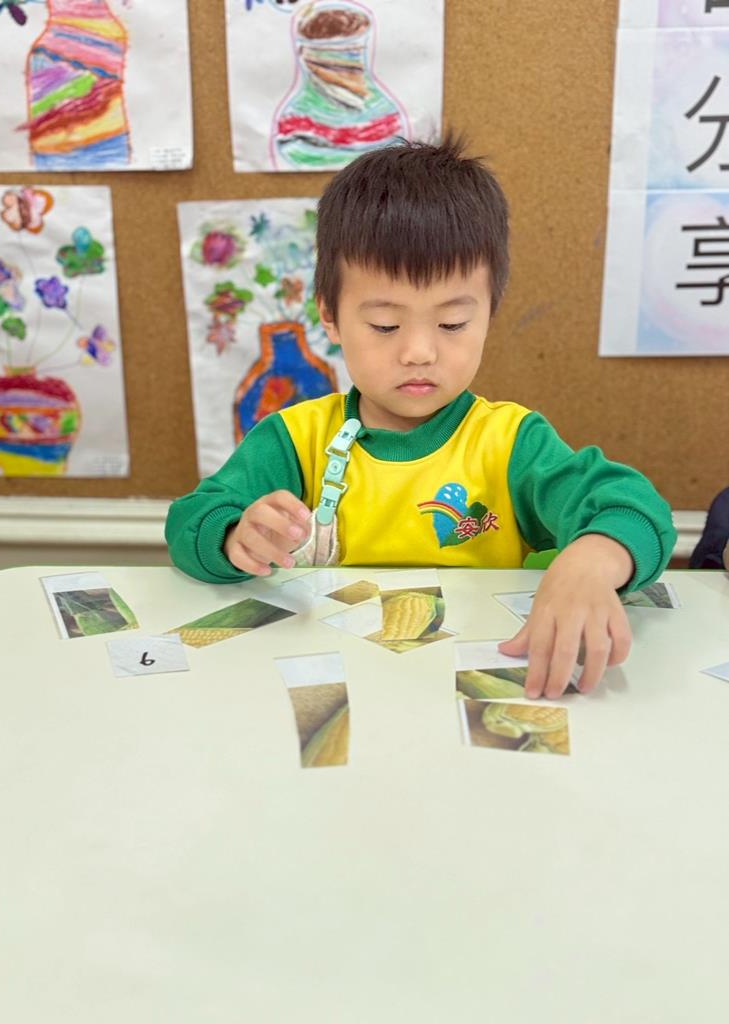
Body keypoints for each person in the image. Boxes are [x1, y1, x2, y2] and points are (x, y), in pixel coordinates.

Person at [166, 136, 676, 699]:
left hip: (473, 685)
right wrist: (234, 537)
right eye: (385, 326)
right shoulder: (295, 438)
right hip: (338, 684)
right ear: (330, 316)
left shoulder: (510, 443)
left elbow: (633, 506)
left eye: (452, 324)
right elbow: (191, 520)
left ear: (489, 313)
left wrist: (594, 560)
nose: (418, 352)